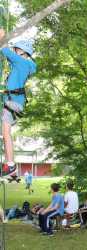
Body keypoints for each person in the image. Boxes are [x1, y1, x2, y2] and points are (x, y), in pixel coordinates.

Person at [0, 28, 36, 176]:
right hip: (13, 101)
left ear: (21, 52)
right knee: (5, 132)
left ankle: (10, 164)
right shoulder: (24, 65)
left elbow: (4, 49)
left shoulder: (21, 62)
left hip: (13, 102)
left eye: (16, 50)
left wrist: (2, 35)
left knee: (6, 132)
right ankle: (9, 163)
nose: (14, 52)